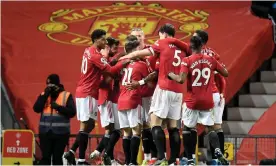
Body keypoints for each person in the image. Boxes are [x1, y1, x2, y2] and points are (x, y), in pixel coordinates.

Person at [120, 23, 190, 165]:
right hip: (177, 91)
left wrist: (129, 55)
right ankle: (173, 160)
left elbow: (142, 55)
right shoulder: (183, 47)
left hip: (163, 88)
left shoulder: (161, 43)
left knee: (154, 124)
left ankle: (161, 158)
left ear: (163, 34)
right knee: (173, 127)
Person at [63, 29, 130, 165]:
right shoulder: (95, 55)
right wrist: (123, 62)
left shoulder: (88, 50)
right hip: (88, 92)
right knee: (85, 125)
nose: (105, 42)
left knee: (89, 125)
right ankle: (81, 160)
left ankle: (72, 152)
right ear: (96, 40)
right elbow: (110, 70)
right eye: (103, 39)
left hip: (87, 91)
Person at [167, 35, 229, 165]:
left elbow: (181, 79)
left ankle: (190, 159)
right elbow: (225, 73)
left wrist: (171, 75)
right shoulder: (211, 59)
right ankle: (217, 150)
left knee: (188, 129)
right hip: (207, 100)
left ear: (190, 47)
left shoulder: (187, 60)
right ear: (202, 46)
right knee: (210, 128)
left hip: (192, 101)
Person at [193, 30, 227, 164]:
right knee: (217, 127)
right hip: (215, 94)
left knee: (191, 126)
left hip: (201, 95)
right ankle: (217, 158)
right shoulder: (213, 55)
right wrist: (222, 92)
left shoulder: (192, 53)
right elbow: (222, 76)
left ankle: (188, 158)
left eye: (194, 37)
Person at [89, 37, 121, 165]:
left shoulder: (108, 61)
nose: (116, 50)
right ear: (107, 47)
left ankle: (104, 155)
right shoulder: (103, 62)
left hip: (110, 98)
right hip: (106, 98)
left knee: (112, 130)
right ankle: (104, 154)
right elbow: (103, 81)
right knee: (115, 130)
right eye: (114, 48)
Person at [129, 28, 158, 165]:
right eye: (135, 36)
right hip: (135, 97)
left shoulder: (151, 51)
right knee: (139, 128)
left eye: (140, 36)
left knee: (151, 125)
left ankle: (155, 156)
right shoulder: (128, 54)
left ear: (144, 37)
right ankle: (146, 158)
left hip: (150, 95)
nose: (138, 39)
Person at [33, 74, 76, 165]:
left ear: (57, 85)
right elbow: (36, 108)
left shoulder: (66, 95)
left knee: (57, 159)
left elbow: (72, 112)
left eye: (52, 86)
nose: (49, 88)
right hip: (45, 133)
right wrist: (45, 96)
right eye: (48, 86)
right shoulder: (44, 95)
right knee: (45, 158)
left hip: (61, 133)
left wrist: (58, 107)